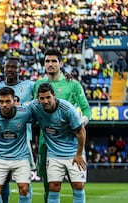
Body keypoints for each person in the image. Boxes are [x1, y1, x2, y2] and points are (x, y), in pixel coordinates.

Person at [33, 49, 91, 203]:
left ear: (61, 63)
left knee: (77, 184)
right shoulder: (38, 84)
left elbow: (86, 109)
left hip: (70, 142)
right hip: (46, 142)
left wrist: (81, 122)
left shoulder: (72, 84)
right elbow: (33, 108)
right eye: (47, 61)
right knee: (49, 184)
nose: (50, 64)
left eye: (53, 61)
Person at [0, 58, 35, 203]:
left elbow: (42, 96)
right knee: (2, 179)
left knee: (24, 181)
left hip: (23, 137)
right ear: (3, 68)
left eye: (14, 67)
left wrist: (21, 104)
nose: (11, 69)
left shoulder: (30, 85)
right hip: (0, 137)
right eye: (8, 67)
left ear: (20, 69)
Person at [29, 82, 87, 203]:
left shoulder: (67, 109)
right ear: (38, 99)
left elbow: (81, 131)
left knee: (78, 186)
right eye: (42, 98)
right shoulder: (35, 106)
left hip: (73, 152)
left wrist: (79, 154)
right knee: (53, 187)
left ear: (54, 96)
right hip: (54, 154)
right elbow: (19, 107)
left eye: (48, 97)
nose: (45, 101)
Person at [0, 87, 32, 203]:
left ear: (14, 101)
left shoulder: (24, 113)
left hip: (21, 157)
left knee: (24, 188)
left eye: (8, 101)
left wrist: (22, 104)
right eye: (1, 102)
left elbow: (37, 108)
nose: (4, 105)